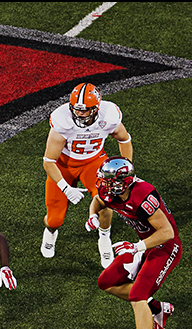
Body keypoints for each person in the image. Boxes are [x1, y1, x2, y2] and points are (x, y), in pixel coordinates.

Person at [90, 157, 181, 329]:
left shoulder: (143, 194)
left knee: (137, 295)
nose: (105, 184)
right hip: (142, 246)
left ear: (124, 181)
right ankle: (157, 308)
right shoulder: (109, 192)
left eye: (109, 181)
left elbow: (167, 232)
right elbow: (98, 201)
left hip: (164, 247)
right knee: (106, 282)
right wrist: (93, 216)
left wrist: (136, 246)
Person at [41, 82, 133, 267]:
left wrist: (127, 167)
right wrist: (66, 188)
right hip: (63, 165)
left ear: (96, 108)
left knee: (107, 200)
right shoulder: (62, 119)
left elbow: (125, 139)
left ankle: (104, 237)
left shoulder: (109, 116)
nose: (79, 113)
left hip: (94, 162)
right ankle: (50, 232)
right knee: (55, 219)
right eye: (76, 109)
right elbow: (49, 161)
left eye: (84, 110)